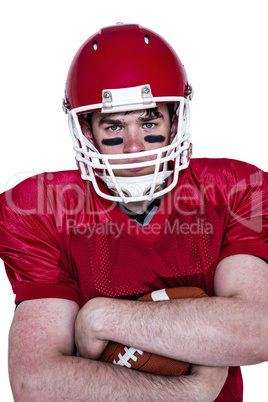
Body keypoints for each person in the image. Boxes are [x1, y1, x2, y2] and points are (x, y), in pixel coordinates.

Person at [0, 23, 267, 401]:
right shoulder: (38, 209)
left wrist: (100, 319)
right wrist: (187, 393)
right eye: (114, 126)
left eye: (148, 122)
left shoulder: (237, 188)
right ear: (87, 131)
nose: (132, 146)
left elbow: (258, 330)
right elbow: (36, 383)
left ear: (174, 120)